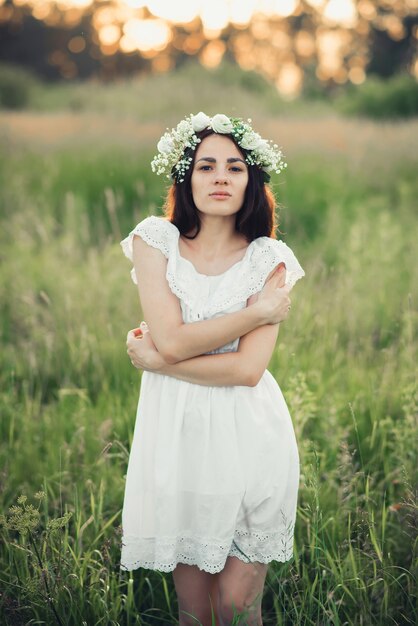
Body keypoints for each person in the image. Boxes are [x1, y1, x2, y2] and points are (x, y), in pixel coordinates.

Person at [120, 112, 305, 626]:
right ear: (186, 177)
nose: (221, 177)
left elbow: (247, 370)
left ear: (252, 182)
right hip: (176, 439)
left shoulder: (269, 258)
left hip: (250, 437)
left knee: (237, 607)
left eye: (235, 167)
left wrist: (160, 360)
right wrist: (256, 313)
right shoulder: (155, 242)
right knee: (195, 614)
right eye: (206, 166)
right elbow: (174, 338)